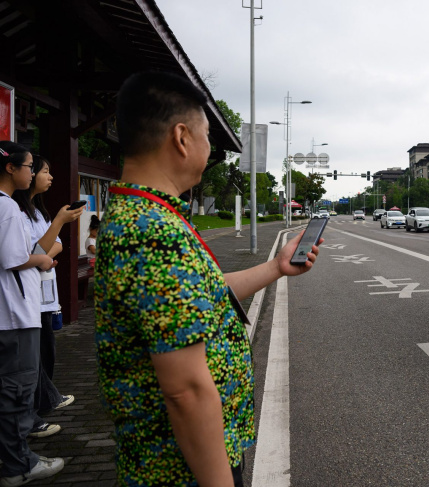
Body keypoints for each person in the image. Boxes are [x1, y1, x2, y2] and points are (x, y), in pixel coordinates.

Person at [94, 71, 322, 487]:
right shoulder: (153, 233)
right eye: (206, 136)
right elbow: (186, 392)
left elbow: (206, 295)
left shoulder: (150, 218)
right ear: (181, 138)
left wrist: (276, 267)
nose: (208, 147)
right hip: (181, 469)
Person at [0, 141, 64, 485]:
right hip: (13, 314)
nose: (32, 171)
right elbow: (16, 258)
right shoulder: (7, 208)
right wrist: (40, 259)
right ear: (11, 168)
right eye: (29, 166)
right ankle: (18, 465)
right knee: (16, 391)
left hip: (9, 313)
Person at [12, 154, 82, 424]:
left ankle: (44, 401)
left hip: (44, 291)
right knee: (35, 357)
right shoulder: (16, 211)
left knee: (46, 353)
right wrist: (57, 227)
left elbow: (57, 246)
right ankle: (38, 408)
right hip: (28, 294)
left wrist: (42, 255)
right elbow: (34, 251)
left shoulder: (38, 210)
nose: (48, 177)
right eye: (43, 171)